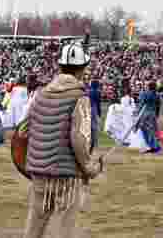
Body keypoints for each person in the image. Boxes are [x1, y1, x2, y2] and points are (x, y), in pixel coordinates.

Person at [23, 41, 105, 237]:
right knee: (64, 229)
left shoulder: (41, 95)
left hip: (39, 172)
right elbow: (79, 139)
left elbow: (24, 131)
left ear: (60, 67)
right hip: (67, 176)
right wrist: (90, 167)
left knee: (34, 227)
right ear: (82, 69)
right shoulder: (80, 98)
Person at [134, 82, 162, 154]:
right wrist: (157, 115)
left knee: (146, 131)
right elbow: (158, 106)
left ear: (148, 87)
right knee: (151, 130)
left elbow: (141, 104)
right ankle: (153, 146)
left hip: (145, 114)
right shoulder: (157, 95)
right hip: (152, 114)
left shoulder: (144, 93)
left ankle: (154, 146)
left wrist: (136, 112)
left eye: (146, 85)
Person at [88, 80, 102, 151]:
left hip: (87, 108)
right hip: (94, 108)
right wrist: (99, 114)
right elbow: (98, 104)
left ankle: (89, 141)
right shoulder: (98, 92)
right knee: (94, 127)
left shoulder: (88, 92)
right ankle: (95, 143)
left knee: (88, 126)